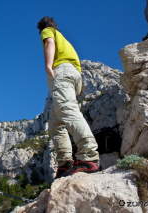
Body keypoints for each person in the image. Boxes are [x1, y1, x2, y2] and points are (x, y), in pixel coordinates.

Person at [37, 17, 102, 178]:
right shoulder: (65, 42)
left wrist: (48, 65)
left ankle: (89, 155)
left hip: (63, 72)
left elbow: (49, 43)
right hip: (74, 76)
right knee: (55, 122)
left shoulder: (48, 31)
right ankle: (64, 164)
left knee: (67, 110)